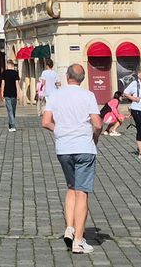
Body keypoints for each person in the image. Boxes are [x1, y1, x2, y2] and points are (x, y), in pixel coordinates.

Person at [41, 62, 102, 256]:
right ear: (82, 79)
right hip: (84, 147)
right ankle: (78, 241)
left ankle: (70, 227)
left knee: (71, 187)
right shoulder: (88, 95)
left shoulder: (55, 95)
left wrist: (59, 130)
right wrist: (95, 137)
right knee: (82, 192)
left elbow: (45, 122)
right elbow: (98, 123)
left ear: (67, 76)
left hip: (64, 148)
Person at [0, 63, 21, 130]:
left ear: (8, 65)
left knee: (10, 110)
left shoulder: (4, 73)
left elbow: (3, 83)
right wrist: (19, 92)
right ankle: (12, 125)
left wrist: (2, 92)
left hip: (7, 93)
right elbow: (17, 84)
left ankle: (11, 125)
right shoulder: (15, 73)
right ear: (13, 66)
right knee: (13, 110)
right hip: (14, 93)